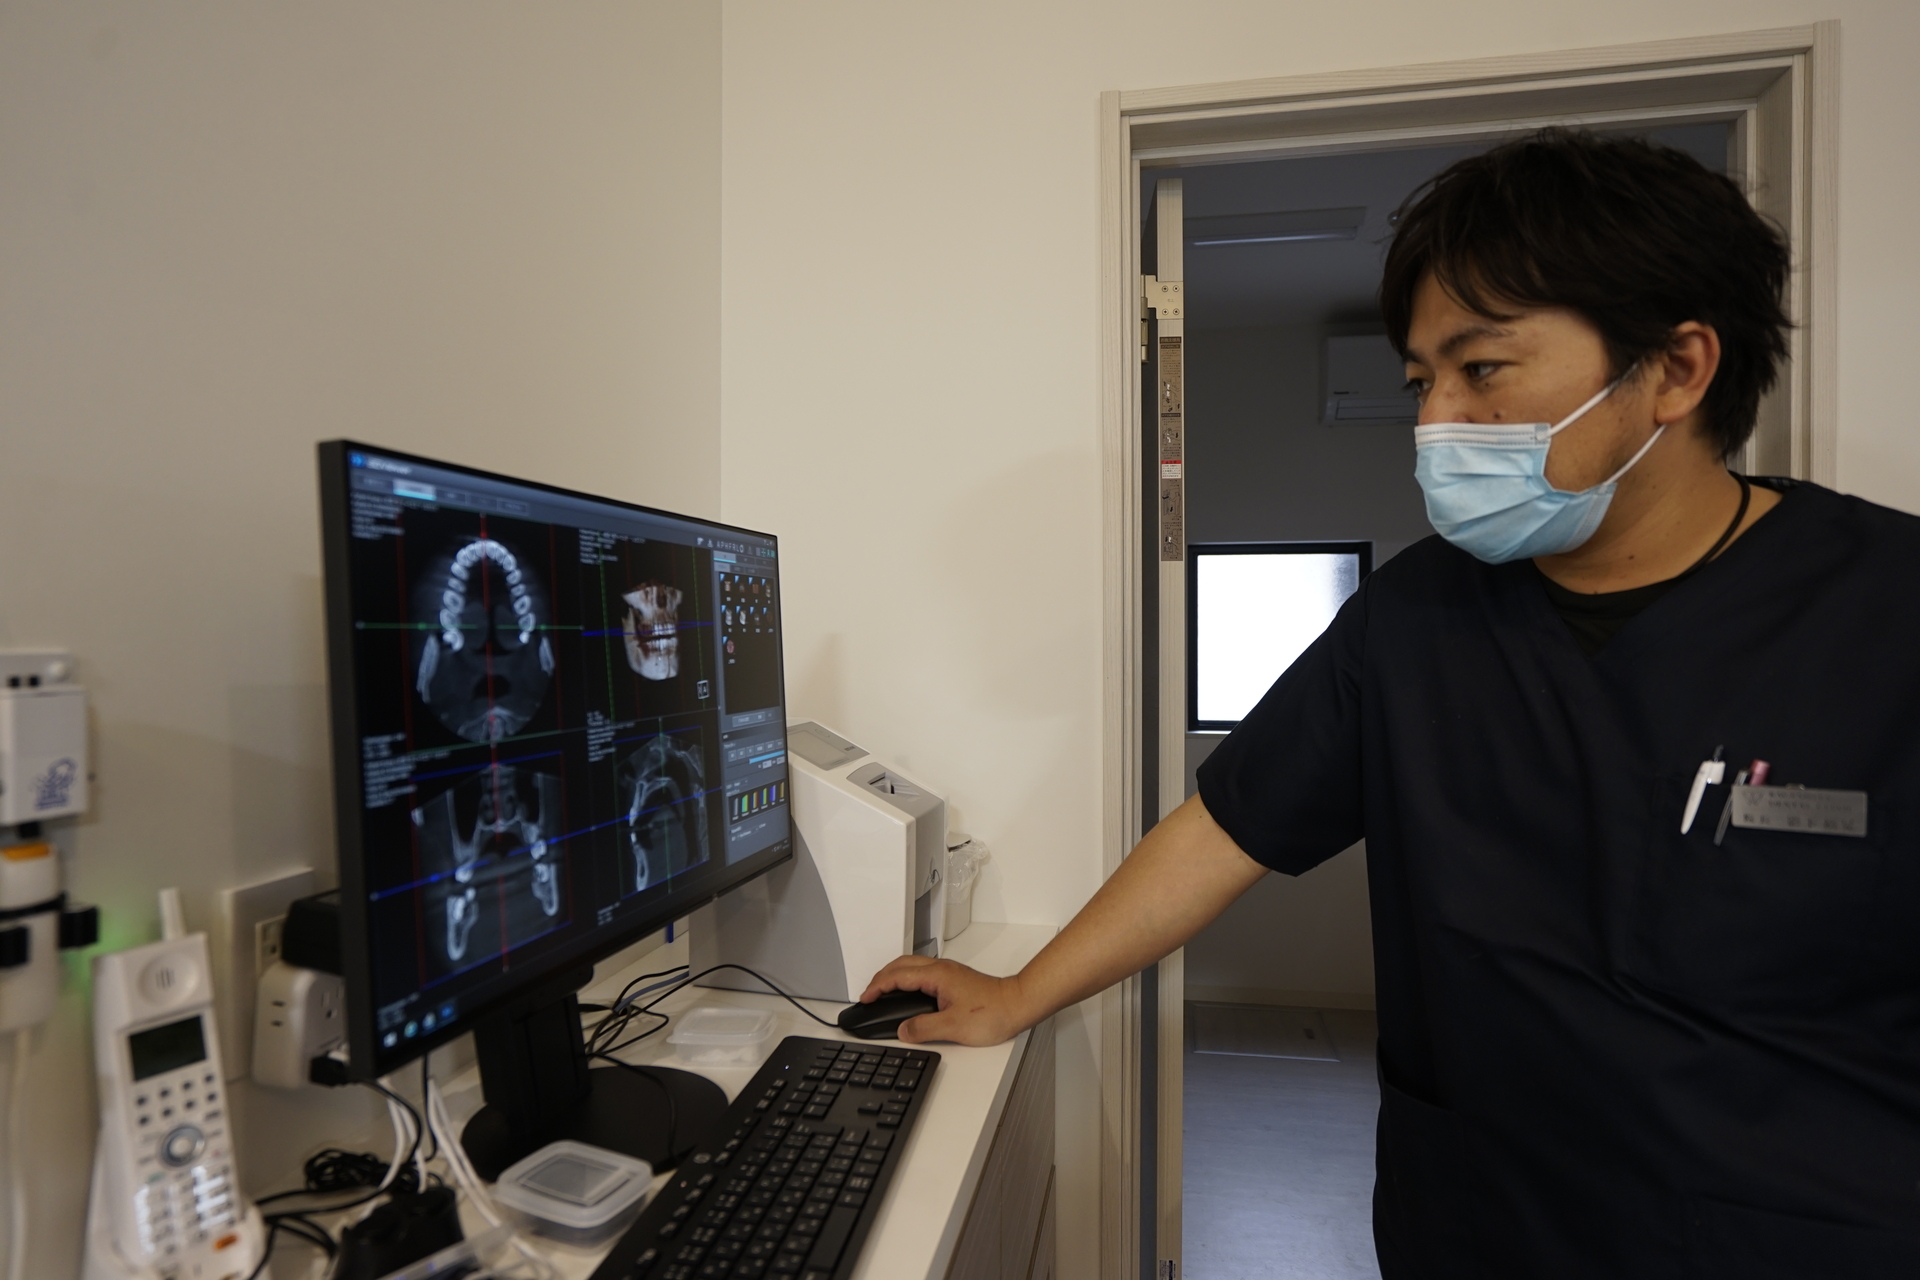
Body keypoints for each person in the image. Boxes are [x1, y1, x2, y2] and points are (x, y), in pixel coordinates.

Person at [859, 130, 1920, 1278]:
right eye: (1422, 381)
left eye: (1483, 369)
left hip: (1793, 1233)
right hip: (1482, 1222)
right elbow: (1223, 829)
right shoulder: (1418, 617)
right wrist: (1020, 992)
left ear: (1676, 367)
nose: (1434, 420)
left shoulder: (1886, 612)